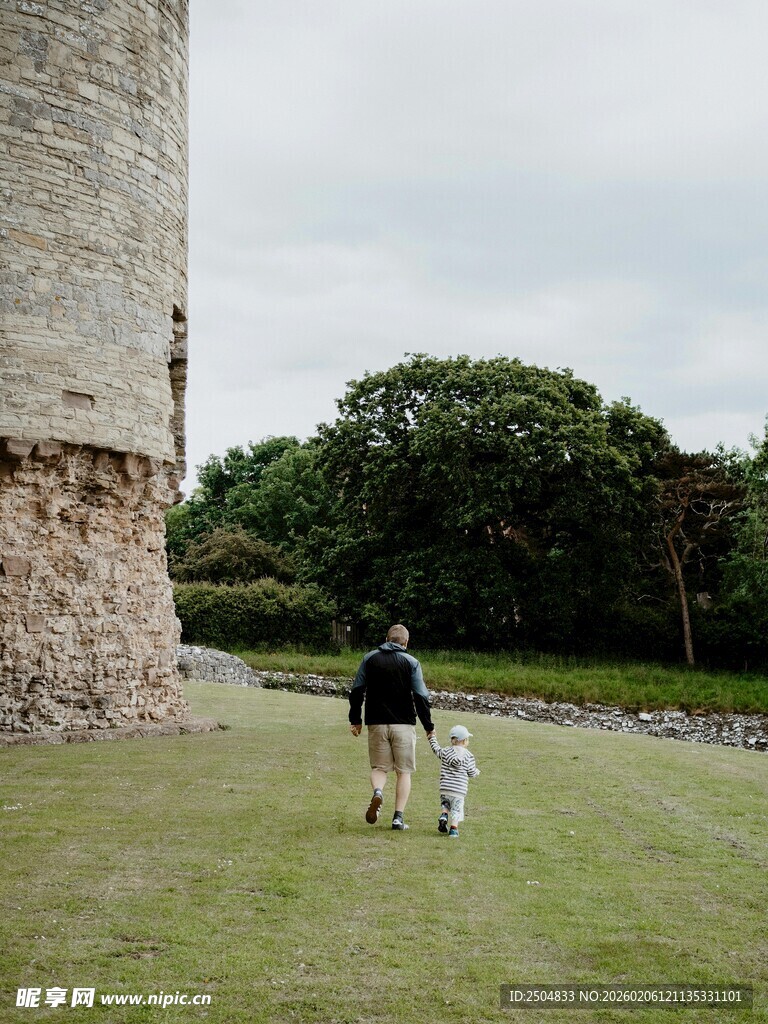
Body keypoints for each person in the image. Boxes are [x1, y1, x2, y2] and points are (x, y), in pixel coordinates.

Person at [349, 624, 434, 831]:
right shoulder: (411, 662)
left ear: (387, 639)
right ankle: (398, 818)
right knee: (403, 772)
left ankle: (378, 792)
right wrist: (428, 726)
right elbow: (421, 696)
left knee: (379, 768)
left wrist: (355, 719)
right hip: (403, 723)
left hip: (376, 722)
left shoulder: (369, 658)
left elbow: (357, 690)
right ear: (406, 642)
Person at [427, 724, 480, 838]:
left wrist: (432, 738)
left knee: (446, 804)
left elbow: (436, 749)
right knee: (456, 810)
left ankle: (444, 814)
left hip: (445, 788)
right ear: (464, 740)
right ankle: (453, 829)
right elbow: (471, 772)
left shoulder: (446, 751)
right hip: (458, 790)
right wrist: (476, 771)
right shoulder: (469, 756)